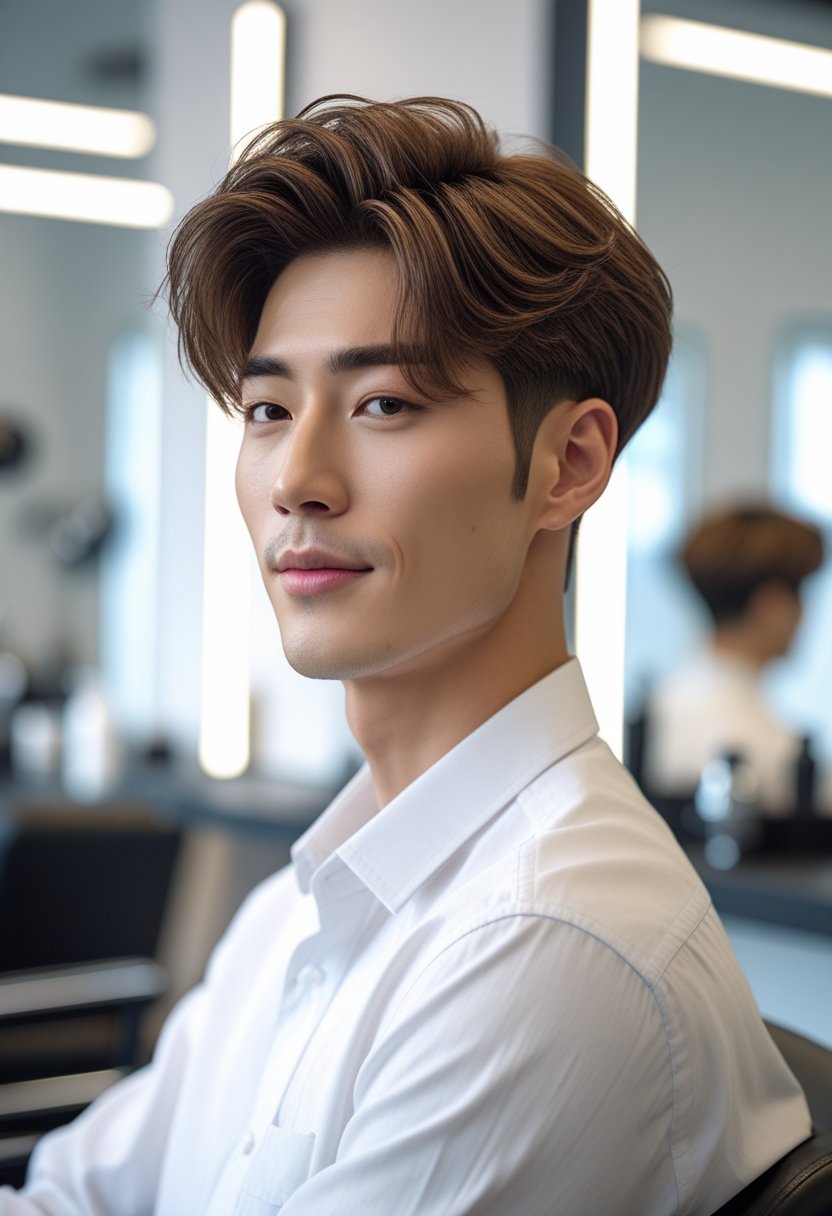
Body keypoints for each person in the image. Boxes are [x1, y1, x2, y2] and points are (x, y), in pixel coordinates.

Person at [2, 96, 810, 1216]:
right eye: (268, 408)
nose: (297, 479)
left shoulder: (546, 944)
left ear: (568, 463)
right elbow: (76, 1194)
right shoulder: (304, 905)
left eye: (383, 402)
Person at [645, 503, 826, 812]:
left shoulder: (657, 708)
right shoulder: (776, 751)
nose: (805, 615)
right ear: (772, 606)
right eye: (800, 596)